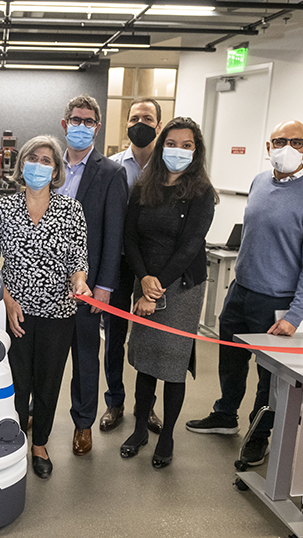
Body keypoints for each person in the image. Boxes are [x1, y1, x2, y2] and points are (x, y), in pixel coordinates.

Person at [185, 120, 303, 467]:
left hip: (277, 302)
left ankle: (259, 434)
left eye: (296, 142)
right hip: (240, 291)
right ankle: (225, 415)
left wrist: (295, 315)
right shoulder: (259, 182)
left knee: (268, 377)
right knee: (231, 362)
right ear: (268, 146)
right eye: (279, 141)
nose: (286, 147)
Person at [0, 135, 91, 479]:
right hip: (15, 314)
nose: (39, 166)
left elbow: (79, 258)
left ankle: (40, 443)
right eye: (33, 158)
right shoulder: (4, 209)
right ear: (22, 164)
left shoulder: (70, 209)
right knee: (15, 381)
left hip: (59, 314)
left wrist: (80, 280)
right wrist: (7, 300)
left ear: (56, 170)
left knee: (48, 382)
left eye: (47, 161)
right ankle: (13, 441)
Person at [119, 117, 216, 468]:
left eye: (187, 145)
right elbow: (130, 236)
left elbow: (191, 245)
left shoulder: (202, 193)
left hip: (182, 286)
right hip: (144, 281)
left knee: (173, 364)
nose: (179, 150)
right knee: (146, 360)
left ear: (196, 151)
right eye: (172, 143)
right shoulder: (145, 185)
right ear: (162, 148)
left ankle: (168, 435)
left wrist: (156, 289)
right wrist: (144, 279)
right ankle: (141, 428)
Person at [57, 94, 129, 457]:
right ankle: (37, 410)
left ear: (97, 128)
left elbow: (114, 235)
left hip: (87, 287)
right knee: (44, 354)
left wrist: (104, 287)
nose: (81, 126)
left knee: (85, 357)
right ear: (64, 123)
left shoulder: (111, 173)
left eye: (88, 122)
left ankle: (82, 424)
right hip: (45, 283)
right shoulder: (49, 167)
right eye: (76, 119)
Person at [101, 97, 164, 435]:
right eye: (135, 117)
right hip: (117, 265)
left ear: (158, 123)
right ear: (126, 123)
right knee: (113, 336)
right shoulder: (112, 167)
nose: (141, 122)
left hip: (152, 270)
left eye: (148, 117)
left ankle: (146, 406)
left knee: (148, 336)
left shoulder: (169, 168)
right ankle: (115, 402)